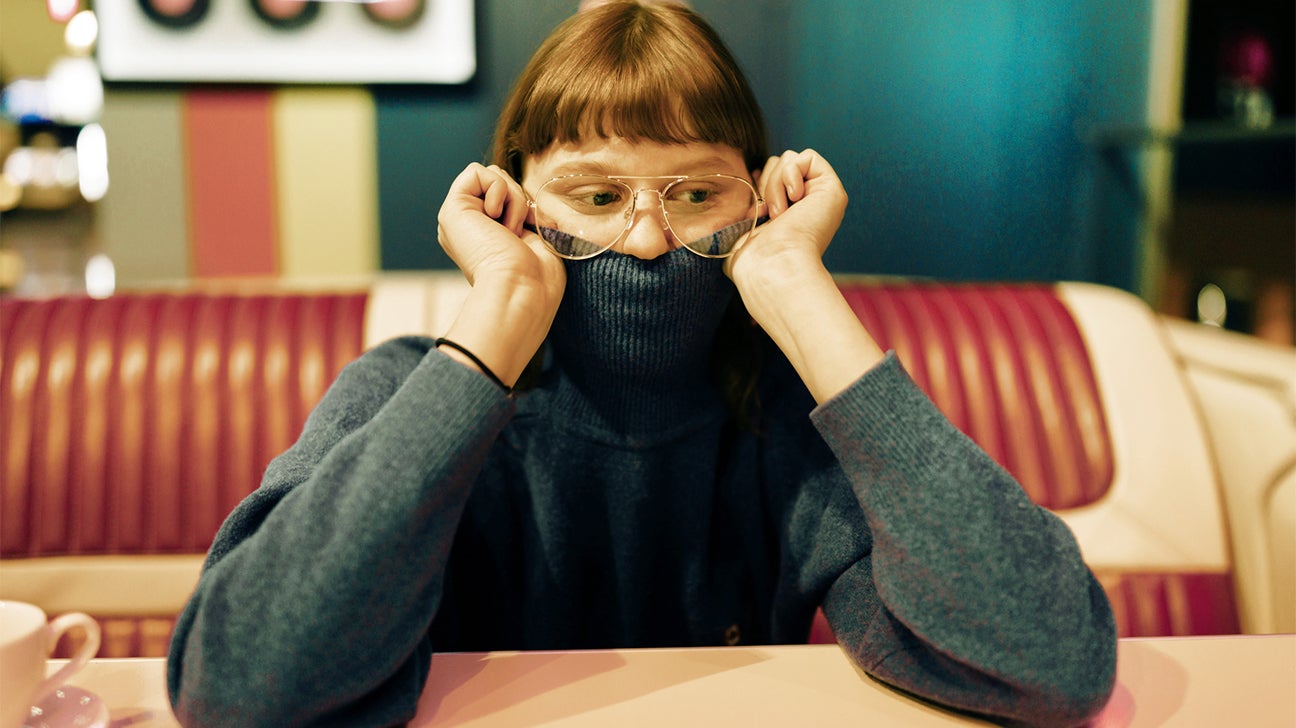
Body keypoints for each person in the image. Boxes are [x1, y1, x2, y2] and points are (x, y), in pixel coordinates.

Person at [166, 2, 1117, 726]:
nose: (651, 240)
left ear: (756, 202)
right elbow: (236, 680)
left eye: (698, 191)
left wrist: (795, 287)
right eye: (596, 193)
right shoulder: (406, 393)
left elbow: (1054, 658)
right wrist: (498, 312)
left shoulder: (790, 421)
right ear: (514, 206)